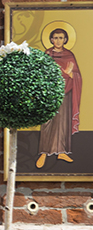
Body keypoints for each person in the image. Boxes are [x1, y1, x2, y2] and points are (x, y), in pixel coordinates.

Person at [36, 27, 82, 168]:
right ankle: (44, 153)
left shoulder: (69, 55)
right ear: (51, 40)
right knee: (48, 122)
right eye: (55, 38)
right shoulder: (47, 54)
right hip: (51, 93)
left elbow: (77, 76)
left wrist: (70, 74)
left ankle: (62, 152)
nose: (58, 40)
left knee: (63, 123)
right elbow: (42, 73)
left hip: (65, 93)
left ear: (65, 40)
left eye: (61, 38)